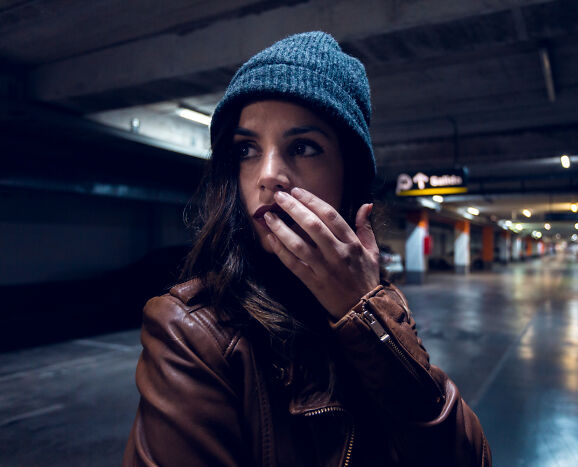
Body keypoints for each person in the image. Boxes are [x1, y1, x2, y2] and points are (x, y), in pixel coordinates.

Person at [123, 31, 491, 467]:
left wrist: (364, 310)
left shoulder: (374, 297)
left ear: (348, 175)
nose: (269, 175)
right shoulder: (192, 331)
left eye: (302, 147)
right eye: (246, 149)